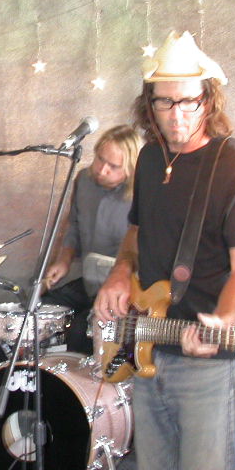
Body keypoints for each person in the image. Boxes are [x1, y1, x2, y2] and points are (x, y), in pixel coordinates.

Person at [92, 31, 235, 470]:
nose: (177, 114)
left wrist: (224, 322)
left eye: (188, 101)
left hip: (206, 365)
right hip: (148, 353)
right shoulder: (148, 160)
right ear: (148, 104)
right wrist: (120, 274)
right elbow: (136, 235)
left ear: (208, 99)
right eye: (165, 101)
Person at [41, 124, 140, 354]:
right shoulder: (83, 180)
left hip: (124, 289)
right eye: (100, 159)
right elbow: (74, 225)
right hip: (89, 281)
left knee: (80, 330)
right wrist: (63, 260)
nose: (102, 170)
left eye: (113, 166)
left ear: (130, 169)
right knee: (39, 311)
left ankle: (87, 377)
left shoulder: (141, 195)